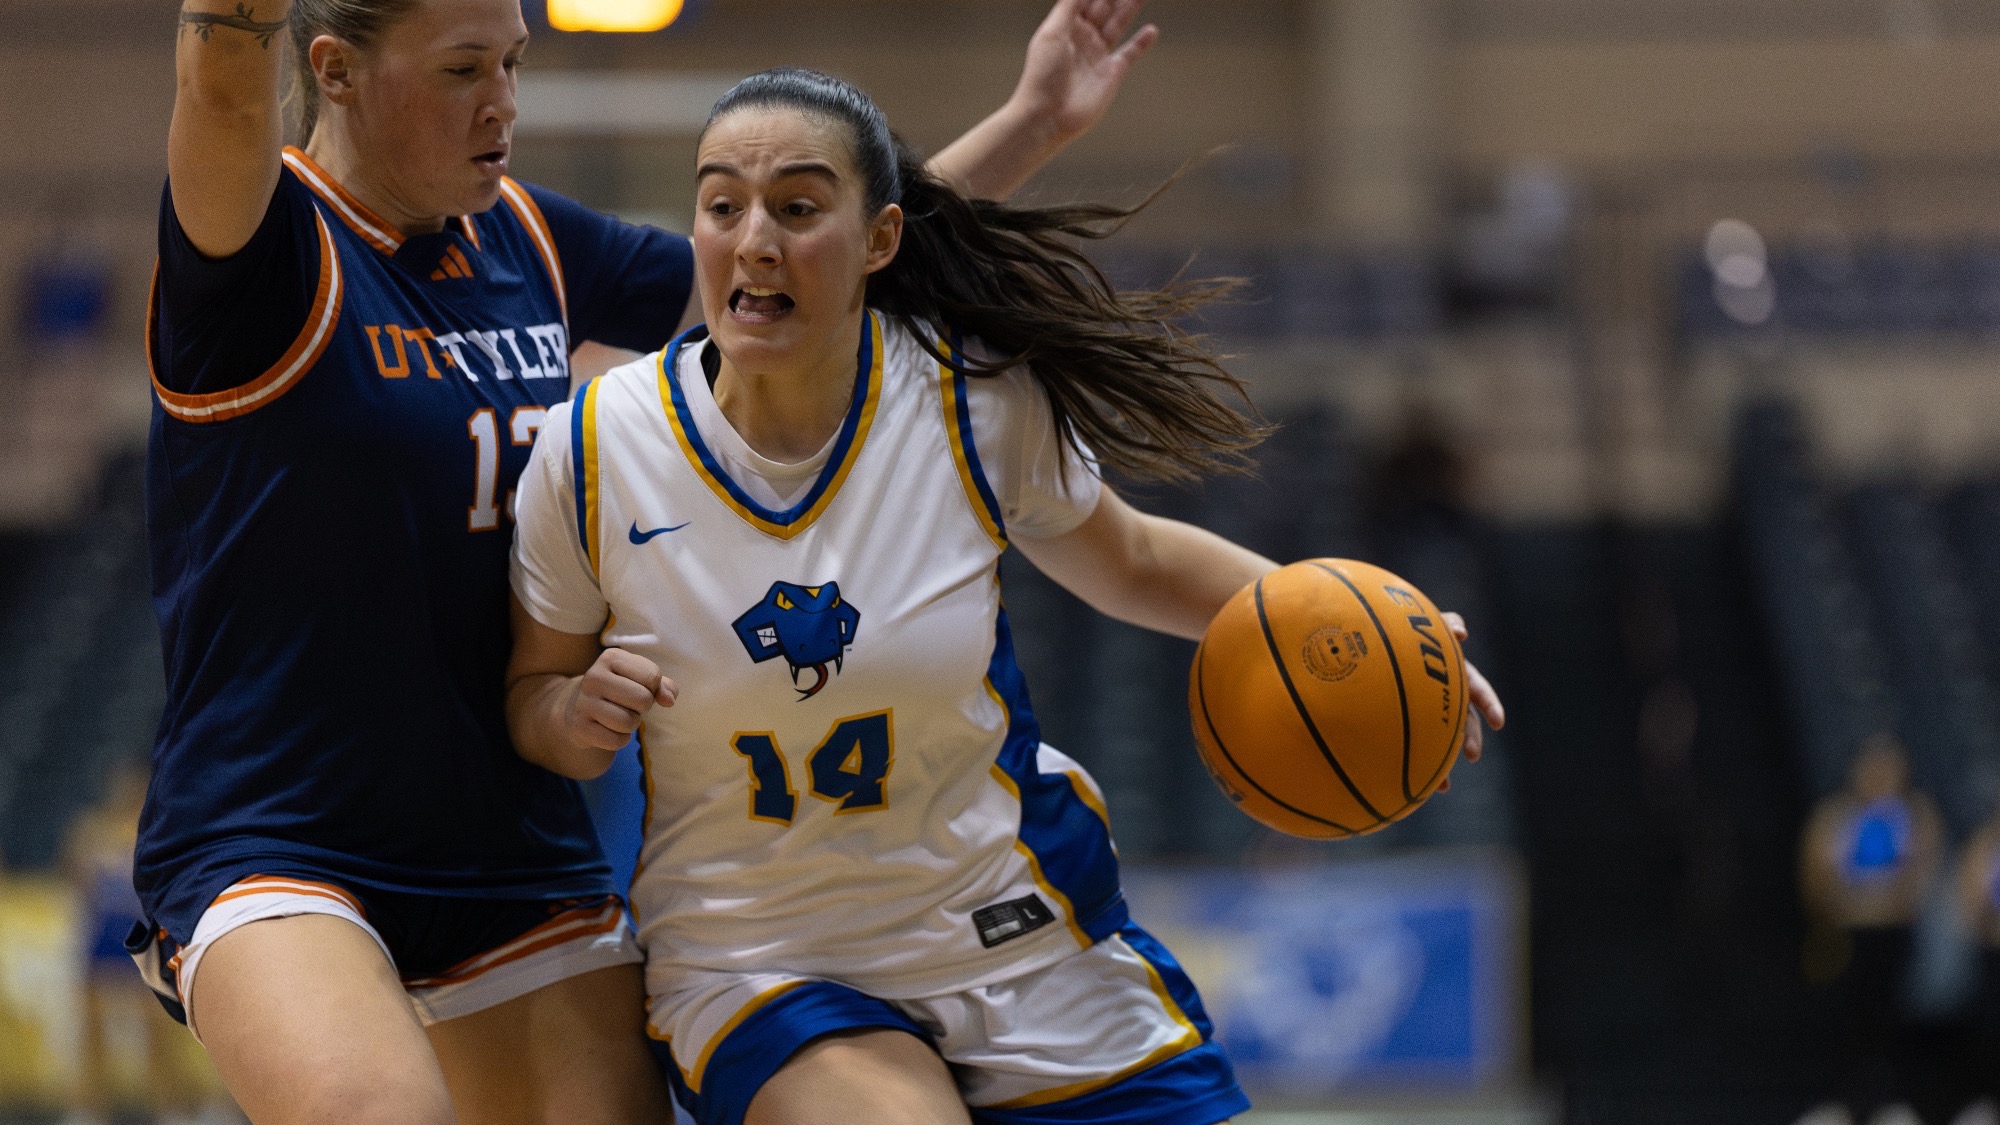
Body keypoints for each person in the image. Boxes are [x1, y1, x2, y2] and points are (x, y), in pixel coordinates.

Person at [137, 1, 1160, 1122]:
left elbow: (797, 270)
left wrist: (1030, 123)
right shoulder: (261, 249)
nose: (503, 103)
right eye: (464, 69)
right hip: (282, 831)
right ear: (333, 70)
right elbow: (222, 86)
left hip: (510, 846)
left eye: (513, 64)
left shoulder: (525, 235)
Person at [505, 68, 1507, 1125]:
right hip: (763, 958)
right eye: (722, 206)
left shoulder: (968, 402)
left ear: (880, 239)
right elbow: (532, 693)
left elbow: (1135, 560)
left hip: (1009, 926)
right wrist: (571, 718)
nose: (754, 240)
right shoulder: (595, 445)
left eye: (797, 208)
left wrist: (1364, 627)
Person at [1799, 734, 1945, 1125]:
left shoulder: (1916, 815)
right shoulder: (1834, 817)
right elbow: (1815, 878)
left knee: (1893, 1022)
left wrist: (1888, 898)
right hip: (1846, 938)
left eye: (1889, 767)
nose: (1879, 776)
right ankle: (1843, 1102)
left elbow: (1922, 878)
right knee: (1846, 1023)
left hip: (1895, 939)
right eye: (1872, 766)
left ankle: (1891, 1101)